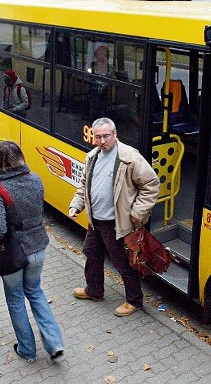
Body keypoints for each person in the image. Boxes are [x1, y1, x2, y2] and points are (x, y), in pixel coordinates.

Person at [68, 117, 160, 317]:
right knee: (91, 253)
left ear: (115, 135)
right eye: (98, 136)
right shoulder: (92, 156)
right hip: (96, 221)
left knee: (122, 263)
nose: (102, 141)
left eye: (106, 136)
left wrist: (136, 213)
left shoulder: (130, 158)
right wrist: (76, 205)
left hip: (116, 224)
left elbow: (151, 185)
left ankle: (134, 300)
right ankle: (94, 290)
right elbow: (84, 185)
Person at [0, 140, 64, 363]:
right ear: (21, 156)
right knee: (36, 292)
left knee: (16, 298)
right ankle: (55, 343)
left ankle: (27, 350)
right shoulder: (36, 179)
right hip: (39, 246)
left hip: (13, 253)